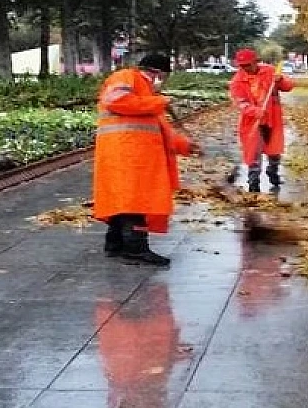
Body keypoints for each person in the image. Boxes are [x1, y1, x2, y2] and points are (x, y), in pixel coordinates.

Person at [92, 53, 201, 266]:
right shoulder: (127, 77)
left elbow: (160, 130)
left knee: (125, 202)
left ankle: (115, 245)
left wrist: (186, 146)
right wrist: (158, 101)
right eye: (164, 77)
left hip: (132, 156)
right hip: (127, 156)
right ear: (158, 73)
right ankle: (135, 249)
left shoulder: (146, 92)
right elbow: (117, 101)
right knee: (136, 202)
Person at [228, 49, 294, 193]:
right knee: (254, 154)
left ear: (256, 62)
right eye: (242, 65)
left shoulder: (270, 72)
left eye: (248, 64)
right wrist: (255, 111)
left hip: (272, 119)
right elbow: (241, 103)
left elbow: (288, 86)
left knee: (274, 152)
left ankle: (273, 172)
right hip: (252, 122)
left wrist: (280, 80)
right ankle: (253, 183)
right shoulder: (237, 82)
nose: (245, 68)